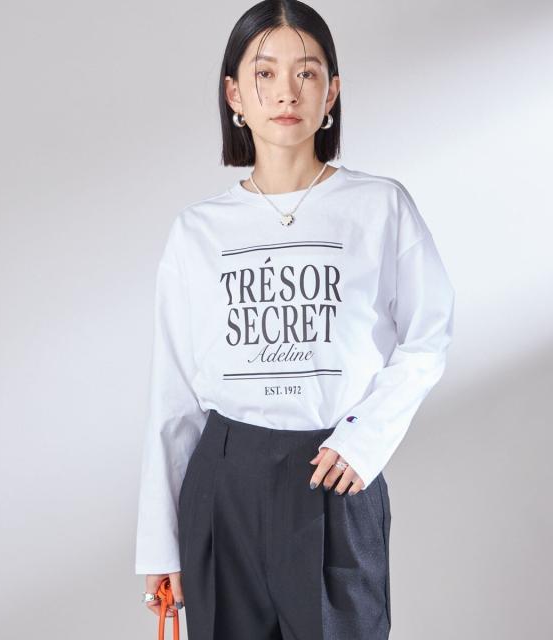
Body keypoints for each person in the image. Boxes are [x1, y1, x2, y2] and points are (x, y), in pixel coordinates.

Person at [135, 1, 455, 638]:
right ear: (234, 94)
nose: (286, 91)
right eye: (265, 73)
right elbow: (173, 396)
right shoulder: (197, 231)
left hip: (332, 473)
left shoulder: (379, 207)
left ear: (331, 91)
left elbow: (429, 338)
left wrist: (365, 440)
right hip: (223, 483)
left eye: (306, 72)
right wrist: (159, 544)